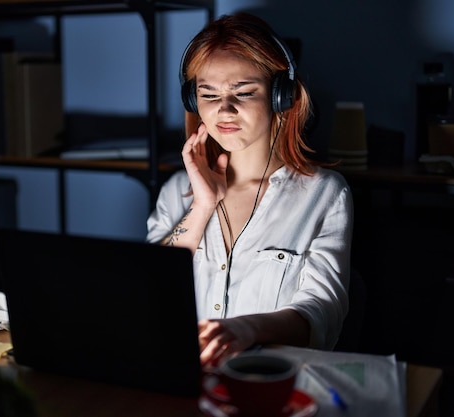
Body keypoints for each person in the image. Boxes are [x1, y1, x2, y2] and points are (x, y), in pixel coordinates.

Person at [146, 12, 353, 366]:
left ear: (281, 98)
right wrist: (201, 206)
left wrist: (247, 330)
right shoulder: (178, 189)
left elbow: (323, 314)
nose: (224, 110)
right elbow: (146, 291)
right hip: (181, 380)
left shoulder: (325, 194)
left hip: (268, 383)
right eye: (208, 94)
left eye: (243, 92)